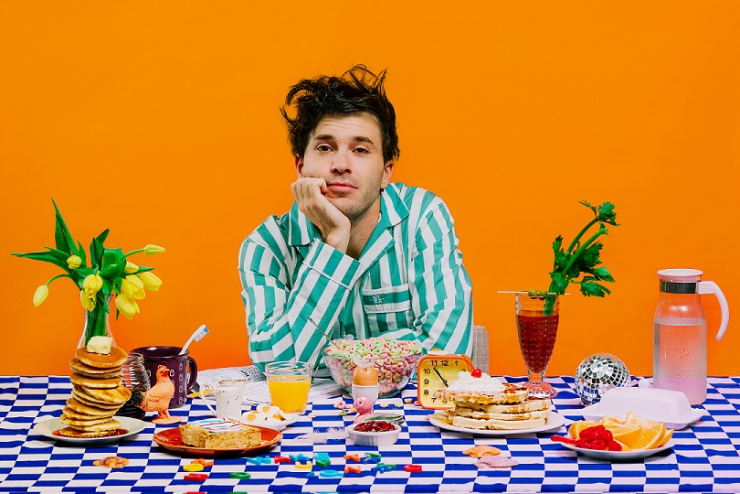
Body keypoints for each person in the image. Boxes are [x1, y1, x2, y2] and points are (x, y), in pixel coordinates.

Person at [238, 65, 473, 372]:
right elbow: (276, 365)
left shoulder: (422, 218)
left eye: (360, 149)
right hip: (303, 419)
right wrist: (334, 241)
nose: (340, 164)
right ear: (300, 166)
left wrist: (336, 356)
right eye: (325, 147)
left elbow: (448, 352)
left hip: (406, 418)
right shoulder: (265, 247)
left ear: (386, 172)